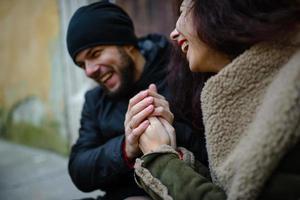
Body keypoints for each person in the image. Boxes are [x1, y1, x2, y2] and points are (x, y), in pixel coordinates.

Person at [129, 0, 300, 199]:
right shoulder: (230, 91)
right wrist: (171, 155)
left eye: (185, 11)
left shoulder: (292, 90)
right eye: (82, 63)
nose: (173, 33)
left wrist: (161, 159)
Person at [66, 1, 208, 200]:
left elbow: (215, 155)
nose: (89, 71)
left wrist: (167, 129)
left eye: (95, 54)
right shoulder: (94, 101)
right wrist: (126, 148)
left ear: (126, 43)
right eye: (82, 64)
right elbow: (79, 169)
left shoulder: (184, 68)